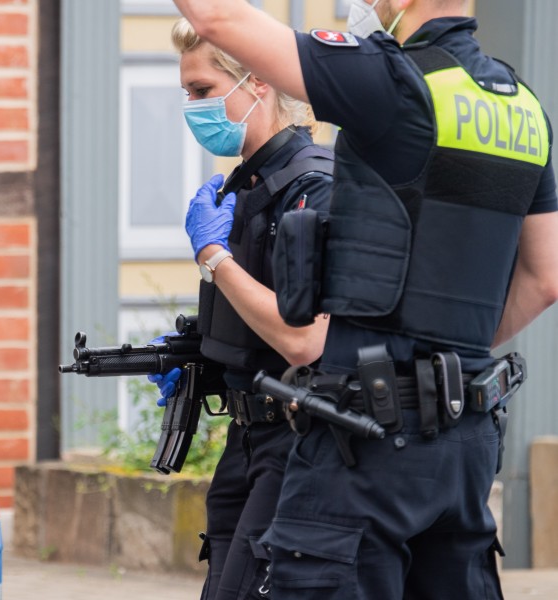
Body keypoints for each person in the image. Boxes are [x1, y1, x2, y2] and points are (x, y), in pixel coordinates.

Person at [169, 0, 558, 598]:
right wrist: (439, 365)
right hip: (466, 443)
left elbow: (218, 19)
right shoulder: (524, 110)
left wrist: (394, 365)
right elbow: (544, 279)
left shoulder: (392, 81)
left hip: (367, 444)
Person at [150, 18, 333, 599]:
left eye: (202, 91)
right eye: (186, 93)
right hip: (245, 441)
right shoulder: (242, 188)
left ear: (256, 82)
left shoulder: (315, 187)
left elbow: (303, 340)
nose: (192, 108)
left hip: (296, 442)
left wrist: (212, 255)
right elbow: (250, 320)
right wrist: (197, 352)